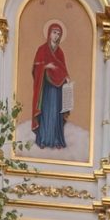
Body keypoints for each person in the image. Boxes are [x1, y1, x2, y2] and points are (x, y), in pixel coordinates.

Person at [31, 22, 70, 150]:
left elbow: (63, 69)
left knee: (56, 113)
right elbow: (36, 68)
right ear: (49, 33)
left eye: (58, 34)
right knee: (47, 112)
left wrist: (66, 78)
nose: (56, 36)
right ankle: (43, 139)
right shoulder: (42, 50)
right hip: (46, 89)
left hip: (57, 89)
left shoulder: (60, 52)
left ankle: (57, 139)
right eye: (54, 33)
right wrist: (46, 66)